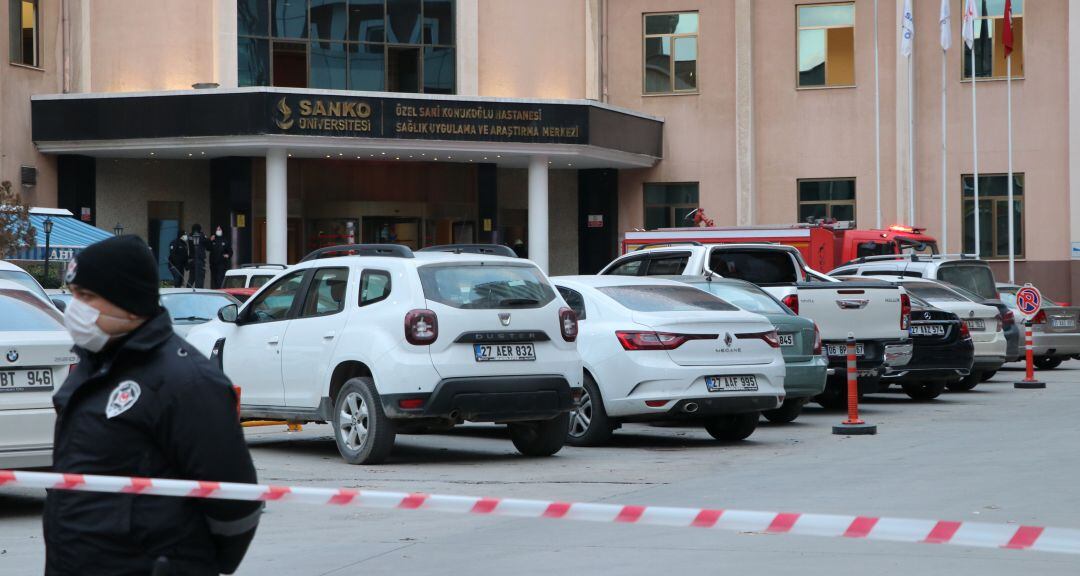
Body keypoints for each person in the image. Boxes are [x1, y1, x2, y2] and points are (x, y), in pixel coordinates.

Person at [44, 235, 261, 575]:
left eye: (86, 296)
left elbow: (235, 501)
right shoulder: (91, 366)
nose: (75, 309)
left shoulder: (187, 382)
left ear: (127, 302)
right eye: (73, 296)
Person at [209, 225, 232, 289]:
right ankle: (216, 289)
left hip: (222, 263)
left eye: (219, 230)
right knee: (214, 278)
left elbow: (230, 251)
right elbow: (208, 248)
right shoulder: (213, 240)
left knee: (220, 278)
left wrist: (228, 255)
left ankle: (220, 290)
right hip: (213, 263)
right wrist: (210, 240)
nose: (218, 231)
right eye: (217, 230)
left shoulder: (225, 240)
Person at [187, 223, 209, 288]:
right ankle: (199, 291)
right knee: (200, 278)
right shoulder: (200, 236)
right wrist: (209, 239)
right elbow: (206, 242)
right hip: (199, 260)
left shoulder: (190, 236)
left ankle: (187, 290)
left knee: (191, 278)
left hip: (191, 260)